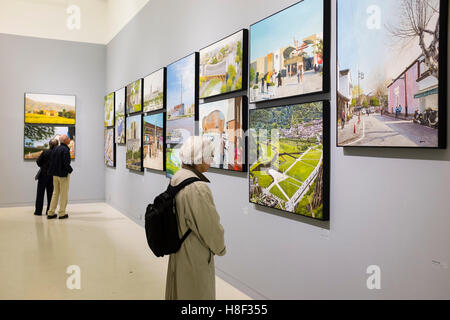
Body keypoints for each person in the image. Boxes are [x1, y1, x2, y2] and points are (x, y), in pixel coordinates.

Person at [165, 136, 226, 300]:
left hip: (179, 247)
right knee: (195, 293)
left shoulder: (178, 177)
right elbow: (209, 227)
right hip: (193, 253)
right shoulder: (197, 187)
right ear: (199, 159)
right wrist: (220, 248)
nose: (212, 159)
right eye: (210, 155)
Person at [47, 135, 73, 220]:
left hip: (55, 174)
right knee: (63, 194)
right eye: (68, 138)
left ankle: (51, 212)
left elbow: (51, 162)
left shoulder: (55, 149)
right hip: (63, 175)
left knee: (55, 193)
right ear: (65, 141)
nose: (70, 139)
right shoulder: (65, 150)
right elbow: (66, 164)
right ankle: (62, 213)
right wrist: (70, 170)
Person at [34, 139, 59, 216]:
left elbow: (38, 162)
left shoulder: (45, 152)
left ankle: (38, 211)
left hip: (43, 175)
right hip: (52, 176)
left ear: (49, 144)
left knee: (40, 194)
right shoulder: (57, 154)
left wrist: (43, 166)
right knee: (51, 194)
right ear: (57, 145)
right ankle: (49, 211)